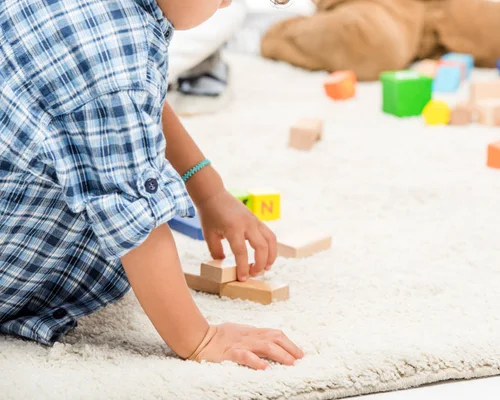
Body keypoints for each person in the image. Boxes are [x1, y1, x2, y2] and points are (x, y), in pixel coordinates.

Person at [0, 0, 303, 370]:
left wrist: (208, 190)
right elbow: (134, 213)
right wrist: (199, 338)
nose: (228, 4)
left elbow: (140, 101)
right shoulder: (110, 61)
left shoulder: (102, 27)